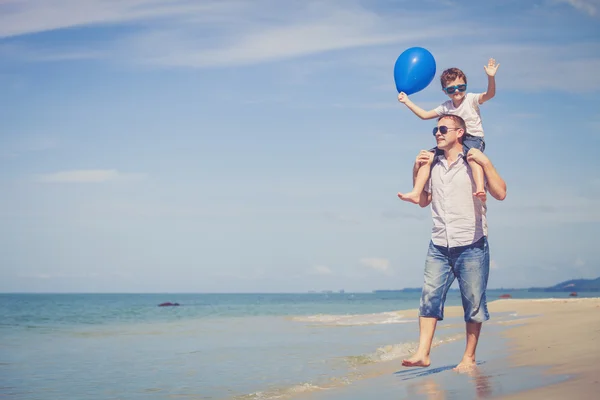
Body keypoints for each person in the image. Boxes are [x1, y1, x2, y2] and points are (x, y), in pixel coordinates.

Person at [401, 114, 507, 372]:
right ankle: (423, 353)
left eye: (444, 129)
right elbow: (424, 201)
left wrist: (487, 163)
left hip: (471, 242)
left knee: (472, 301)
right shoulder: (433, 162)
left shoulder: (473, 161)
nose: (438, 133)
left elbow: (501, 193)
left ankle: (469, 358)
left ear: (459, 133)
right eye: (435, 129)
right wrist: (415, 169)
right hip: (438, 243)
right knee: (429, 297)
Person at [397, 58, 500, 204]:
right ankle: (416, 192)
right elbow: (425, 115)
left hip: (473, 138)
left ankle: (479, 188)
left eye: (461, 87)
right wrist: (407, 101)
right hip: (454, 139)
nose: (457, 91)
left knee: (472, 157)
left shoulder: (471, 99)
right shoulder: (446, 106)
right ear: (445, 91)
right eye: (451, 89)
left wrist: (491, 76)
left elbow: (490, 94)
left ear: (466, 86)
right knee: (427, 158)